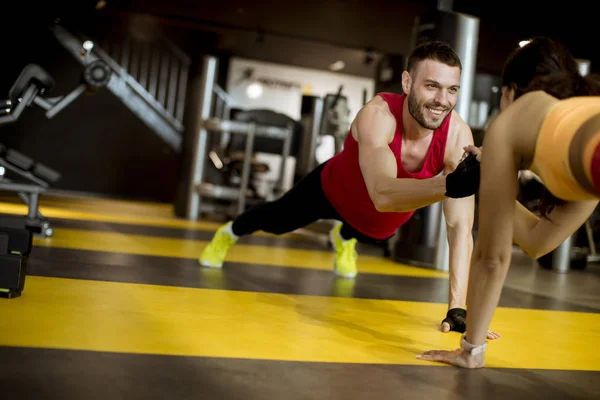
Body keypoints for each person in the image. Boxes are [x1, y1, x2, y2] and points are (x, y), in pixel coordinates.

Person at [199, 40, 488, 336]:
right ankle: (229, 232)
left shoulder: (456, 136)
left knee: (375, 231)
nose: (442, 100)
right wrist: (450, 183)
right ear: (407, 81)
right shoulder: (378, 115)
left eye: (452, 89)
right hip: (331, 191)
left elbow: (460, 227)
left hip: (377, 222)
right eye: (431, 86)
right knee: (276, 221)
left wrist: (457, 308)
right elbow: (382, 193)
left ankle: (344, 236)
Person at [418, 37, 600, 368]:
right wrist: (489, 177)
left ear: (510, 91)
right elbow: (536, 241)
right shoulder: (583, 142)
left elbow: (492, 258)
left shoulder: (516, 118)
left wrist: (470, 350)